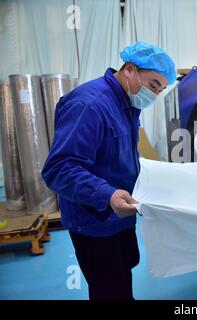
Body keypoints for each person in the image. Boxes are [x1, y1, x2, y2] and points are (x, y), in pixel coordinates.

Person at [42, 42, 176, 300]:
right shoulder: (89, 105)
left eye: (161, 89)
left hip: (120, 215)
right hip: (94, 219)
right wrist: (107, 195)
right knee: (108, 288)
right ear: (129, 69)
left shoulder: (128, 103)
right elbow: (59, 169)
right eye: (153, 85)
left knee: (123, 276)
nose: (155, 94)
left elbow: (120, 153)